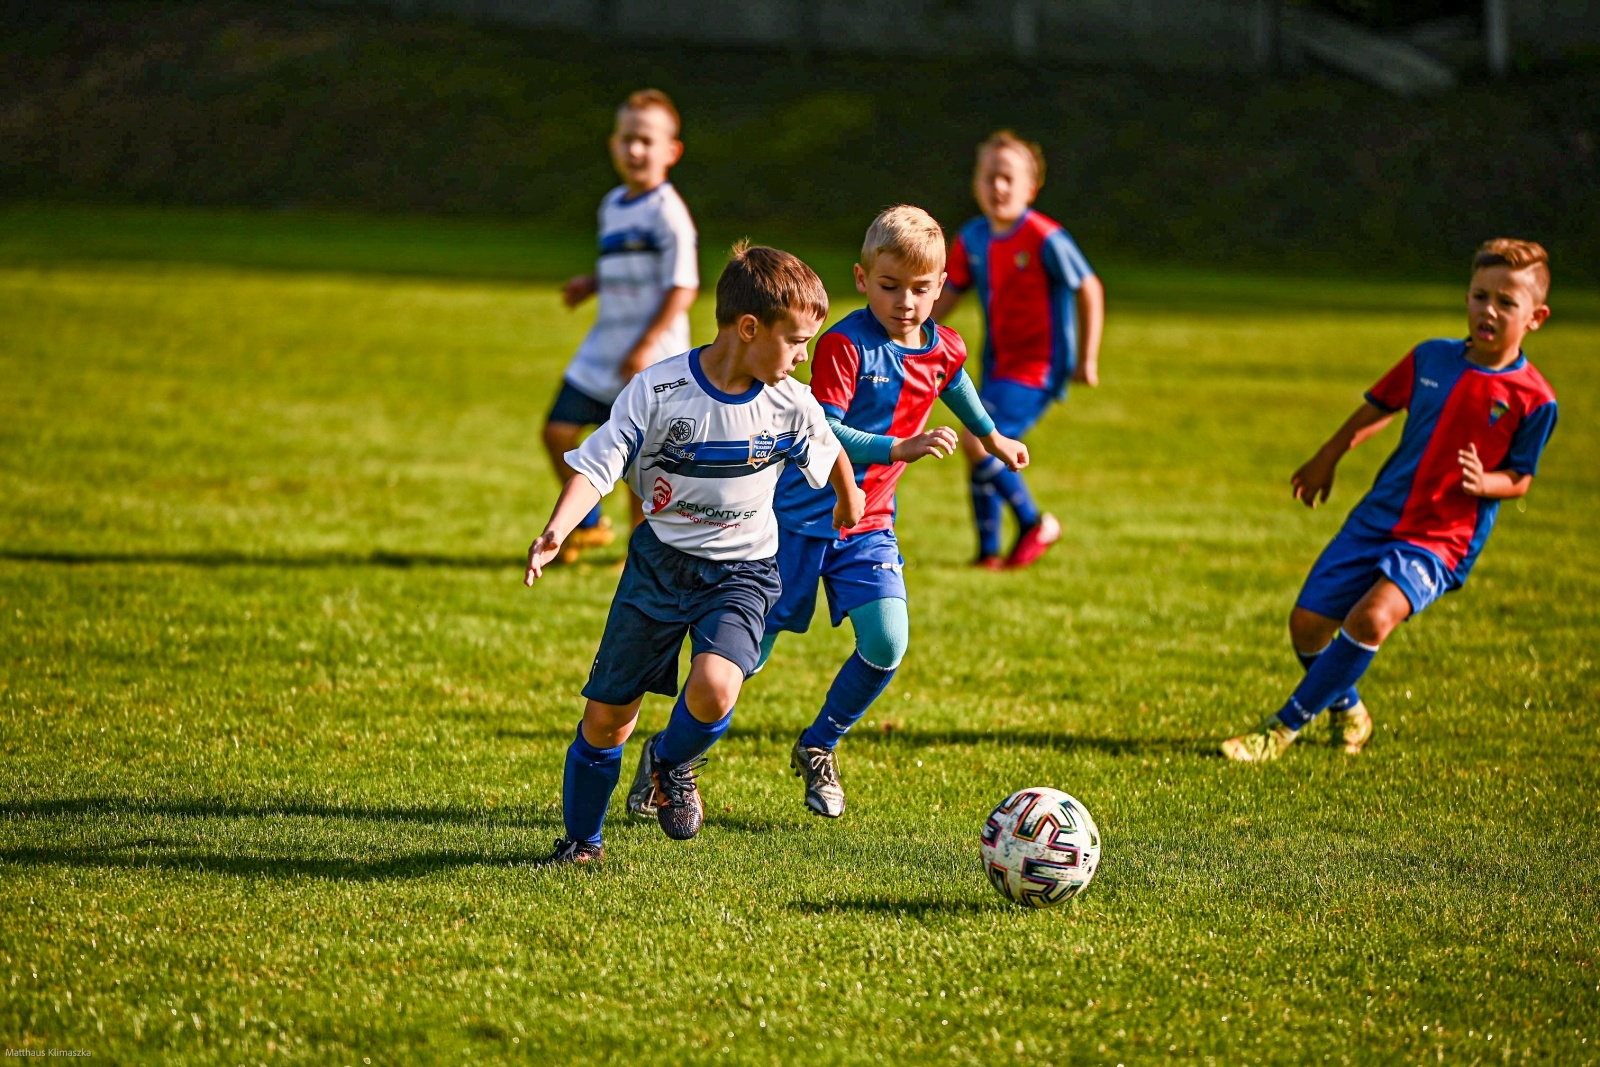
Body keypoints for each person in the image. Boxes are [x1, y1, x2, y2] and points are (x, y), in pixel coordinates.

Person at [524, 244, 865, 864]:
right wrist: (558, 529)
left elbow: (830, 448)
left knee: (714, 686)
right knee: (607, 721)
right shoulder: (659, 390)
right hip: (660, 564)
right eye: (795, 341)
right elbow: (597, 466)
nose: (802, 356)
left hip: (744, 570)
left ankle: (673, 761)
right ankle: (581, 843)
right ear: (749, 328)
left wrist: (849, 497)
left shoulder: (790, 400)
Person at [704, 205, 1028, 819]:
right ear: (862, 278)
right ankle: (675, 758)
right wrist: (899, 448)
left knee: (887, 642)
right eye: (889, 286)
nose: (905, 302)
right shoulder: (844, 344)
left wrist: (993, 436)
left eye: (921, 289)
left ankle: (819, 743)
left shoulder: (945, 343)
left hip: (870, 524)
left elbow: (953, 380)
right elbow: (823, 431)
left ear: (941, 287)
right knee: (746, 657)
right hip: (797, 522)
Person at [1222, 239, 1559, 762]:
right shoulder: (1431, 357)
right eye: (1478, 295)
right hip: (1378, 517)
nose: (1487, 310)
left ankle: (1280, 730)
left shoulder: (1534, 398)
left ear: (1535, 317)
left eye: (1505, 303)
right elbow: (1376, 408)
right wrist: (1326, 457)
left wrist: (1485, 483)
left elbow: (1521, 477)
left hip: (1442, 537)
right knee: (1307, 625)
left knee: (1371, 618)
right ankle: (1348, 709)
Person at [932, 129, 1105, 570]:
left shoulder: (1045, 237)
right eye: (989, 176)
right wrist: (909, 328)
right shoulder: (971, 239)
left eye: (1008, 178)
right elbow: (950, 293)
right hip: (998, 364)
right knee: (980, 443)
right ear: (975, 182)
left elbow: (1089, 287)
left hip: (1040, 368)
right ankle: (988, 553)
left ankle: (1033, 523)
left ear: (1032, 187)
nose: (998, 187)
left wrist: (1087, 358)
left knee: (977, 439)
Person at [543, 88, 700, 563]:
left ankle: (640, 550)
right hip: (604, 348)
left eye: (647, 141)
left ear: (671, 152)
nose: (635, 150)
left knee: (639, 457)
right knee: (557, 431)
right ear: (613, 144)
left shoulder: (668, 212)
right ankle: (589, 521)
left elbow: (683, 286)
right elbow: (628, 264)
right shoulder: (613, 204)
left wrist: (647, 345)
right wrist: (592, 282)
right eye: (627, 139)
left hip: (649, 355)